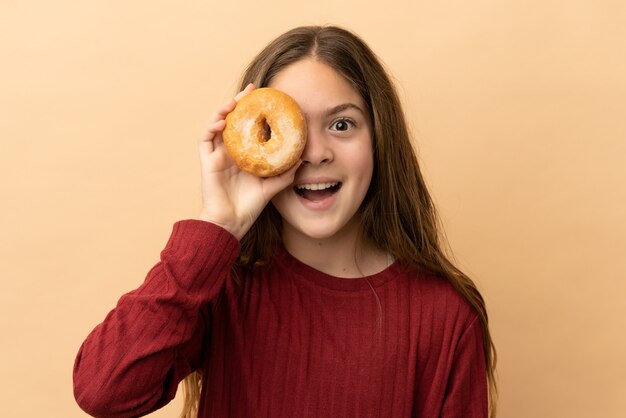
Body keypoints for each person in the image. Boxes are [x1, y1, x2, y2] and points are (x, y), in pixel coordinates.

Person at [73, 25, 497, 418]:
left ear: (380, 140)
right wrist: (219, 224)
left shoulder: (445, 317)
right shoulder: (219, 291)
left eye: (342, 124)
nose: (314, 153)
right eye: (292, 125)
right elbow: (103, 390)